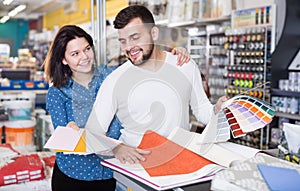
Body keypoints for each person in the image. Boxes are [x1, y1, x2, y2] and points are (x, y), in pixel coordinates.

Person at [43, 25, 191, 191]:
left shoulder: (113, 76)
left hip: (111, 173)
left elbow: (150, 61)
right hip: (73, 176)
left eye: (87, 49)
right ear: (63, 59)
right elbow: (64, 138)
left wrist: (174, 54)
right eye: (75, 54)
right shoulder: (57, 92)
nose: (84, 57)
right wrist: (72, 133)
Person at [84, 5, 227, 165]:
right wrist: (117, 148)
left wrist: (217, 110)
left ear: (154, 33)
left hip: (179, 163)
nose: (129, 47)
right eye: (123, 41)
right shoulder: (115, 80)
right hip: (136, 171)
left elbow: (202, 110)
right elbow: (92, 133)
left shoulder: (184, 65)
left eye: (135, 37)